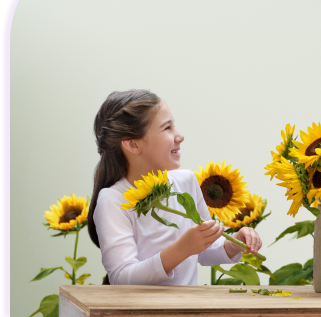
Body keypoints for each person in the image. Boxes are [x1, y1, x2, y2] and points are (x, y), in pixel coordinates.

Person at [87, 89, 262, 285]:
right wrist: (182, 249)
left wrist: (233, 243)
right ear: (133, 144)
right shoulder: (113, 200)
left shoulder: (186, 181)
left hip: (187, 309)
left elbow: (203, 250)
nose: (180, 136)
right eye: (166, 128)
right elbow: (122, 278)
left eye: (174, 126)